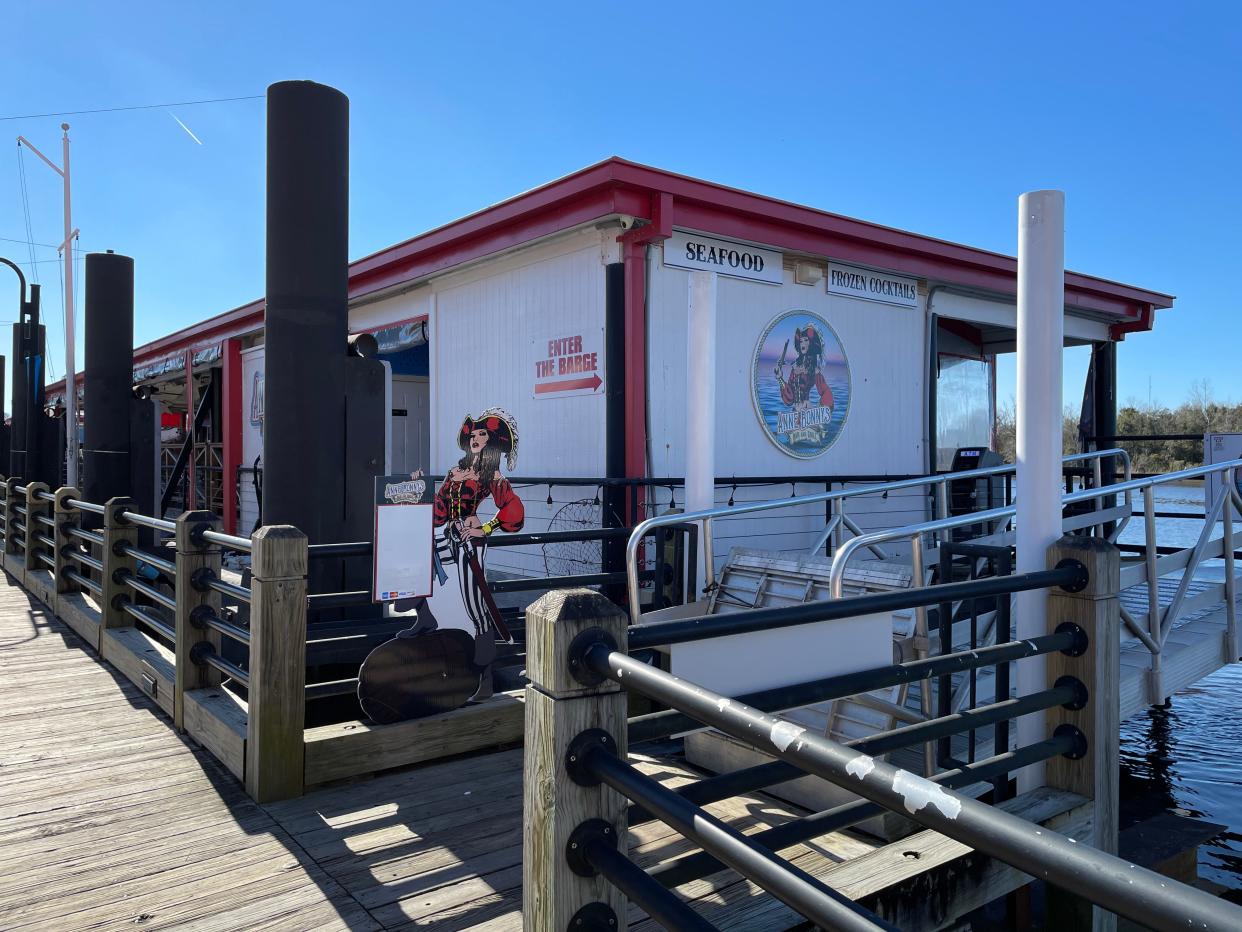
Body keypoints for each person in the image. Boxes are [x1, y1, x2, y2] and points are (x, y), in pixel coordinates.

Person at [406, 408, 524, 702]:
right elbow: (439, 509)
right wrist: (419, 490)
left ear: (492, 441)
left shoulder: (492, 476)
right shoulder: (455, 471)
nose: (475, 438)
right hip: (443, 537)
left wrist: (486, 526)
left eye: (482, 434)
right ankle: (424, 618)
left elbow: (514, 511)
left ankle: (484, 678)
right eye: (473, 434)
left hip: (469, 546)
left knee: (475, 606)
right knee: (420, 574)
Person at [775, 324, 834, 411]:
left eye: (806, 340)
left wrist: (822, 408)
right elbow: (790, 398)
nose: (802, 343)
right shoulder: (795, 368)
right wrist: (780, 378)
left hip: (807, 411)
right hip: (794, 412)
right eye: (801, 341)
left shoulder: (814, 369)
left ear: (811, 343)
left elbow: (825, 390)